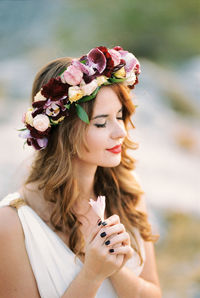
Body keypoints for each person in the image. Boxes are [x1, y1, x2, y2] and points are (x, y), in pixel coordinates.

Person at [0, 46, 162, 297]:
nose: (120, 131)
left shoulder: (129, 193)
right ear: (65, 134)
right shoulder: (12, 224)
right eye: (101, 122)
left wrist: (116, 268)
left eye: (119, 116)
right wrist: (93, 274)